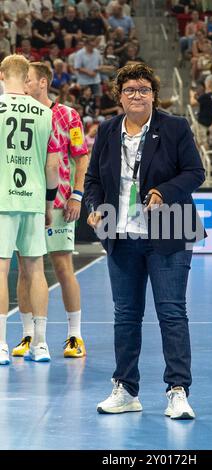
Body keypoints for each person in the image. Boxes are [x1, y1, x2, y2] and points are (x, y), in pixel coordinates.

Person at [84, 63, 206, 419]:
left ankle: (178, 390)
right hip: (121, 235)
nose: (137, 95)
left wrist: (162, 191)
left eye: (143, 89)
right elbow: (93, 180)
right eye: (130, 90)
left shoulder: (175, 127)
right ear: (119, 96)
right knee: (125, 316)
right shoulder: (107, 131)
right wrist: (93, 207)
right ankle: (125, 388)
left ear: (154, 94)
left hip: (169, 229)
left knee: (171, 313)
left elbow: (195, 173)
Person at [13, 62, 89, 359]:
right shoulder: (20, 116)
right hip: (27, 203)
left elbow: (81, 158)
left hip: (60, 204)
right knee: (26, 270)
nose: (25, 85)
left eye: (28, 80)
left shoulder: (68, 115)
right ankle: (28, 334)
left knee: (62, 267)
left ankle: (75, 335)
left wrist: (77, 195)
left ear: (42, 82)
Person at [0, 54, 60, 365]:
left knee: (1, 270)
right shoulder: (45, 113)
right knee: (36, 271)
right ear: (26, 79)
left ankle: (0, 344)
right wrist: (49, 204)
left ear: (1, 75)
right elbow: (53, 167)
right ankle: (40, 344)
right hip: (34, 200)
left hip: (2, 200)